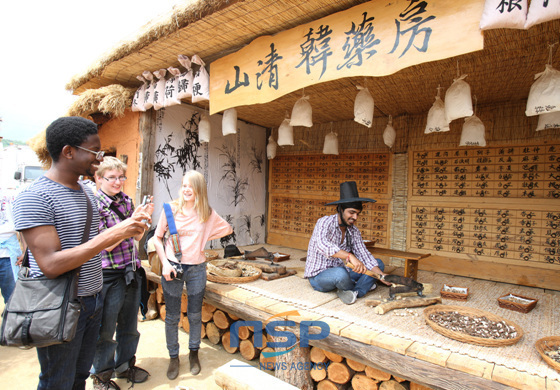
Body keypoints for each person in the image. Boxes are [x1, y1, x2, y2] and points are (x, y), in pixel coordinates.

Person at [12, 116, 152, 390]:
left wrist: (129, 229)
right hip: (60, 305)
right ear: (68, 152)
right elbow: (50, 264)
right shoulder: (35, 197)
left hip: (93, 300)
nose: (99, 160)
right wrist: (113, 234)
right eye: (95, 152)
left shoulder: (87, 193)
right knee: (57, 381)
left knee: (78, 378)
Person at [153, 170, 232, 379]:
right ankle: (173, 357)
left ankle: (194, 354)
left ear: (199, 190)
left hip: (197, 269)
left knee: (195, 315)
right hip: (173, 267)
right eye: (184, 185)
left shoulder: (207, 212)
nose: (187, 189)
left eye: (192, 186)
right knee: (171, 317)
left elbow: (227, 229)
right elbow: (157, 237)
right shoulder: (170, 209)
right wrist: (164, 264)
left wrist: (204, 236)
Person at [90, 157, 153, 389]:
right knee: (105, 330)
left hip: (131, 271)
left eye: (121, 177)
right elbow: (105, 245)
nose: (118, 182)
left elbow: (136, 238)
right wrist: (131, 221)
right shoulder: (94, 204)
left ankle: (125, 366)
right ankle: (102, 376)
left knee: (129, 326)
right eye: (112, 178)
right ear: (99, 178)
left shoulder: (126, 201)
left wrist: (143, 220)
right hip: (109, 276)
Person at [305, 181, 389, 305]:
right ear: (340, 209)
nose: (355, 217)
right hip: (320, 277)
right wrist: (349, 256)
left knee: (378, 264)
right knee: (340, 274)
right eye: (351, 212)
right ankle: (359, 287)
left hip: (344, 270)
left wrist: (381, 276)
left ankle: (354, 292)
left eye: (357, 214)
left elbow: (364, 254)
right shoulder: (324, 222)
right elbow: (323, 245)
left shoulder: (353, 230)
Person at [0, 188, 24, 303]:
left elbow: (22, 225)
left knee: (12, 297)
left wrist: (24, 251)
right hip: (8, 251)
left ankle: (10, 320)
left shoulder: (10, 196)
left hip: (8, 254)